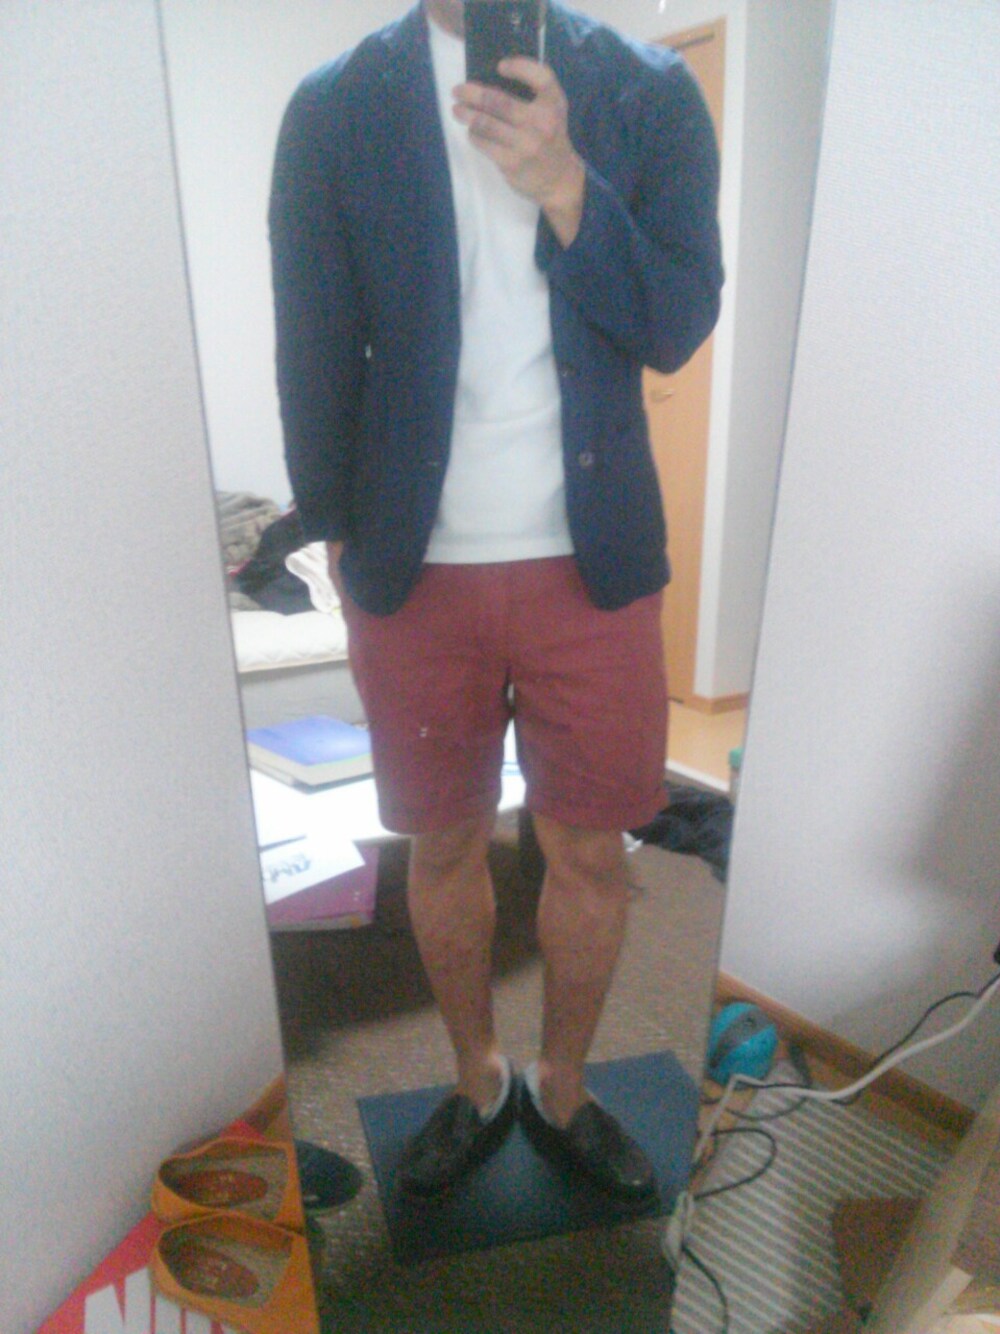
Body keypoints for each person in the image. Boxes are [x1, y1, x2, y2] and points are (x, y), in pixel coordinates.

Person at [269, 0, 722, 1202]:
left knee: (589, 846)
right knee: (443, 838)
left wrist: (568, 186)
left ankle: (563, 1084)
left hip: (595, 555)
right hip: (413, 562)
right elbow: (312, 341)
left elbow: (675, 323)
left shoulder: (646, 92)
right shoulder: (333, 110)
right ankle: (475, 1074)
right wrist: (336, 533)